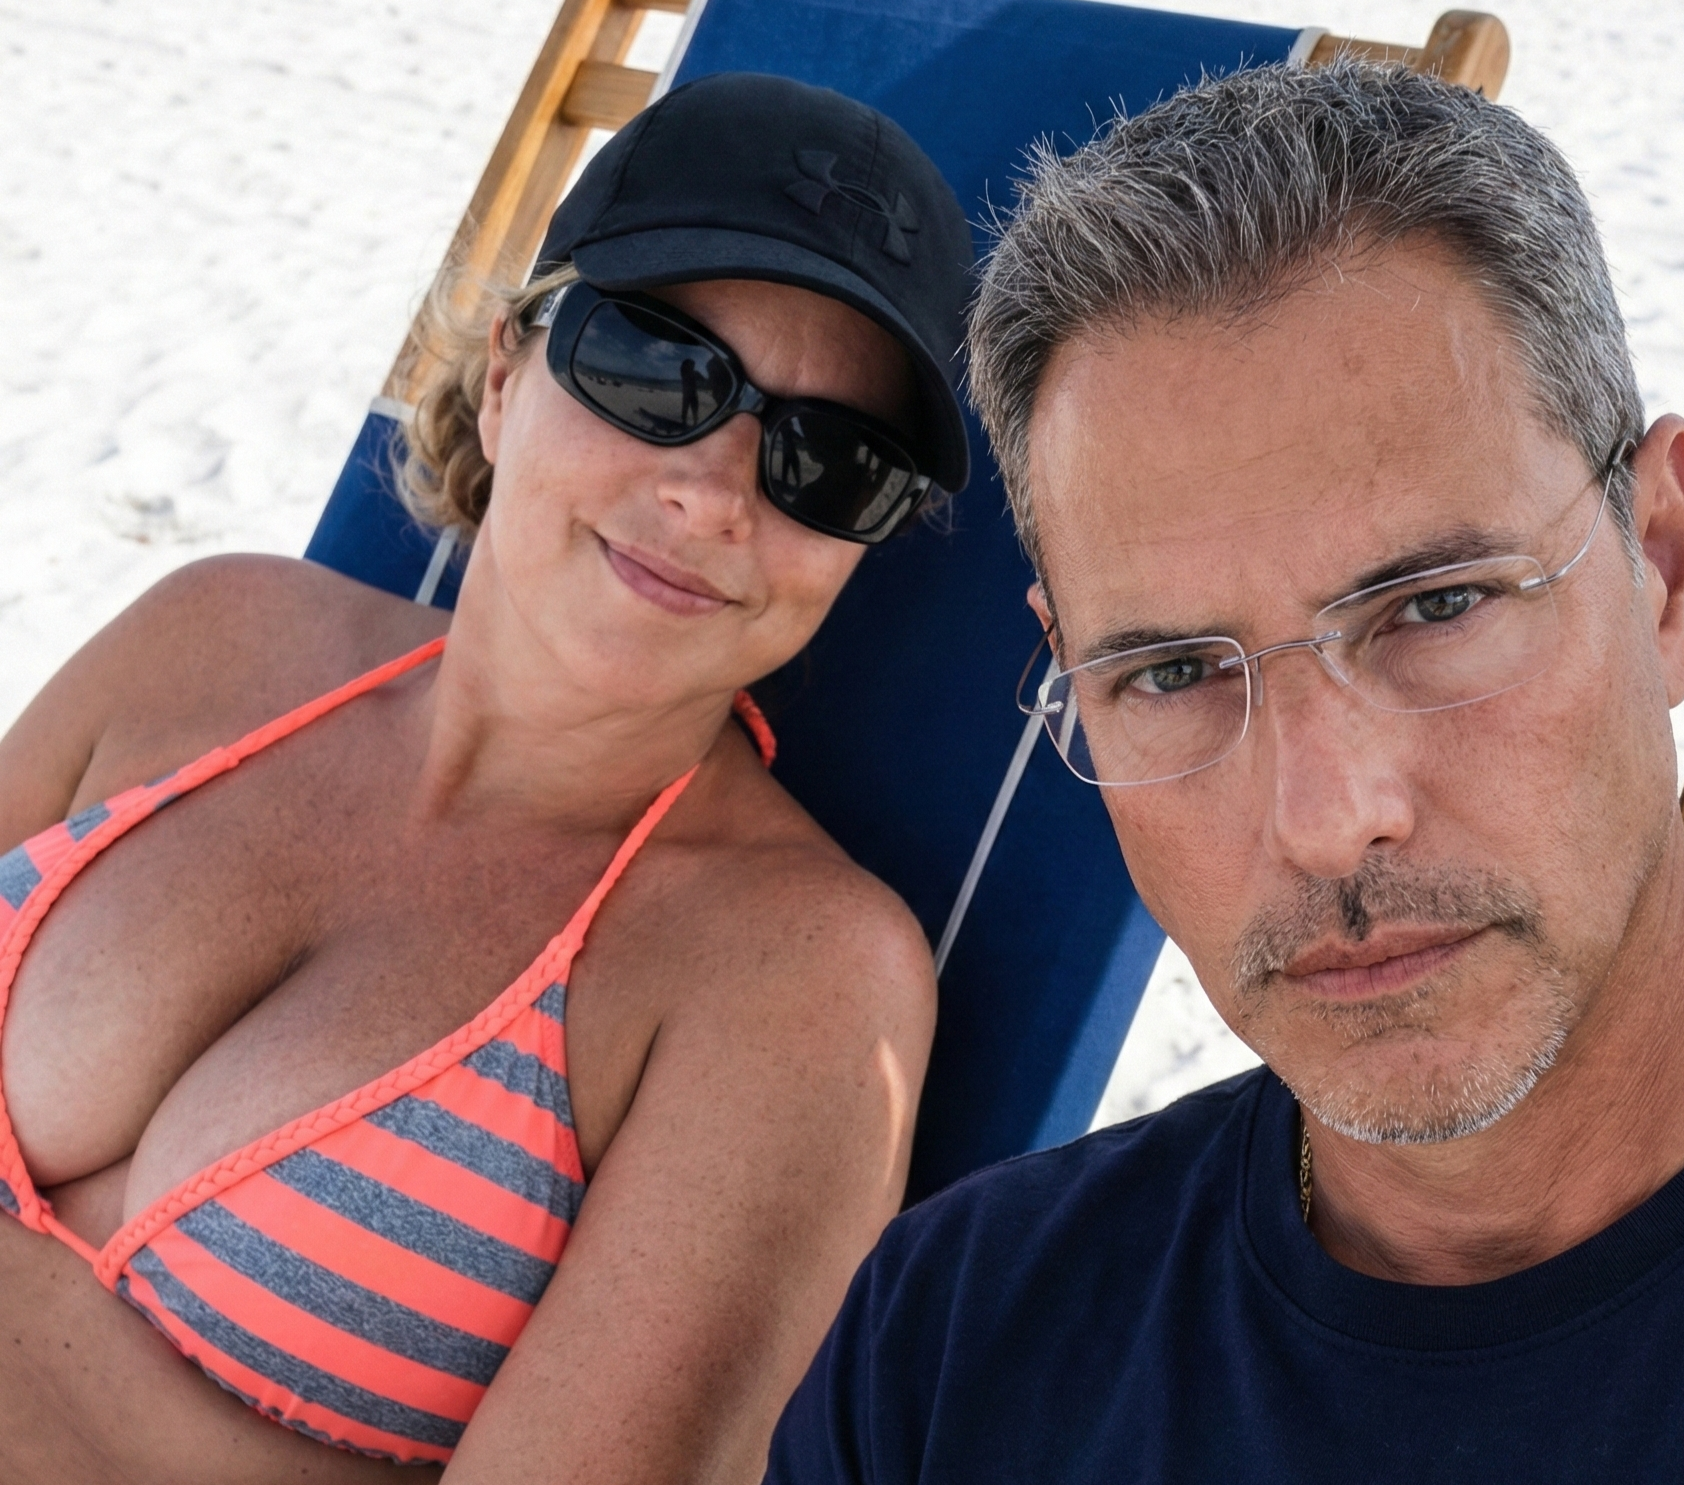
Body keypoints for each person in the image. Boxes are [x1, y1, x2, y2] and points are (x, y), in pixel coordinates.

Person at [765, 60, 1684, 1483]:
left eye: (1437, 606)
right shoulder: (951, 1346)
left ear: (1663, 569)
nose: (1332, 821)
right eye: (1169, 673)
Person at [0, 71, 973, 1483]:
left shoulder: (796, 983)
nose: (715, 489)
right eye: (659, 371)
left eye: (831, 465)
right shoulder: (209, 637)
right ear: (510, 373)